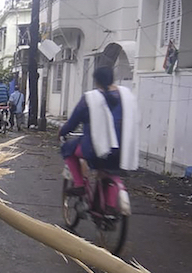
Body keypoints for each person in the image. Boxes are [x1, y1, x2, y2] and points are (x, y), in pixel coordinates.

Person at [58, 66, 139, 196]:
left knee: (68, 149)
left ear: (96, 81)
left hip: (95, 150)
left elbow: (73, 122)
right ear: (112, 78)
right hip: (123, 150)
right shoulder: (127, 95)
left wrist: (62, 132)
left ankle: (79, 185)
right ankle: (111, 205)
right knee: (111, 172)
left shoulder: (90, 98)